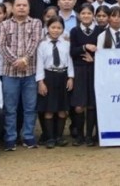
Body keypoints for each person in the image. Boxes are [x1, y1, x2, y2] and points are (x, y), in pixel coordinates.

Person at [0, 0, 43, 151]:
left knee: (30, 107)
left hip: (30, 72)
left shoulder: (36, 23)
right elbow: (1, 46)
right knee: (10, 108)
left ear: (29, 8)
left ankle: (28, 136)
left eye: (24, 5)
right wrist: (16, 61)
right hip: (10, 73)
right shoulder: (4, 25)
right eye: (18, 5)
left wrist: (25, 59)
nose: (21, 8)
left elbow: (35, 42)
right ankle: (10, 137)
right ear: (13, 8)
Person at [36, 17, 74, 148]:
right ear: (47, 28)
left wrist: (71, 77)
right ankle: (50, 138)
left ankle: (59, 137)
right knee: (49, 109)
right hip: (48, 77)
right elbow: (39, 64)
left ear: (63, 29)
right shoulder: (42, 45)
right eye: (53, 27)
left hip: (63, 76)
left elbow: (70, 62)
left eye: (59, 28)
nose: (56, 30)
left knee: (62, 109)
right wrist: (40, 82)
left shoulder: (66, 44)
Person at [69, 4, 102, 146]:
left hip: (95, 69)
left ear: (93, 15)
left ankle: (89, 135)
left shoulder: (100, 31)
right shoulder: (75, 31)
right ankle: (79, 136)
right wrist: (85, 47)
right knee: (78, 105)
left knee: (92, 104)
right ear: (79, 15)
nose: (86, 16)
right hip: (79, 70)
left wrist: (94, 58)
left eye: (89, 13)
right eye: (83, 13)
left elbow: (104, 52)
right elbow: (72, 51)